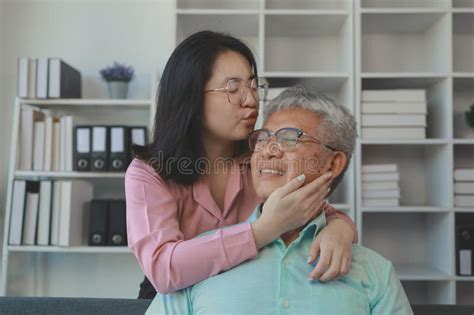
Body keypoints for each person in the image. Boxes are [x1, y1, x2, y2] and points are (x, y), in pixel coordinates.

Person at [125, 31, 358, 298]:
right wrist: (265, 229)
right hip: (171, 298)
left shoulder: (262, 158)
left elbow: (319, 209)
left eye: (253, 85)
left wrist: (341, 230)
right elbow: (163, 270)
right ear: (191, 98)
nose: (251, 100)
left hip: (240, 296)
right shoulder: (148, 173)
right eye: (233, 89)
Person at [145, 86, 413, 315]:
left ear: (333, 163)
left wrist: (341, 227)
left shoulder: (374, 272)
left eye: (288, 138)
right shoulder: (200, 260)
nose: (267, 151)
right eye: (262, 138)